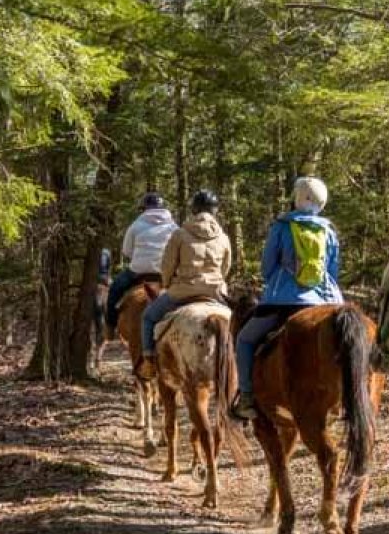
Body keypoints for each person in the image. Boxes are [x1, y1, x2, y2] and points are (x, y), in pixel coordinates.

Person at [230, 176, 343, 421]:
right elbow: (333, 271)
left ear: (297, 198)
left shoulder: (281, 227)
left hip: (283, 301)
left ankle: (246, 397)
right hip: (326, 300)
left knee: (244, 340)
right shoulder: (329, 231)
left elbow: (267, 268)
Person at [137, 190, 232, 378]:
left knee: (148, 317)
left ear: (193, 209)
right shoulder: (223, 237)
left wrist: (166, 284)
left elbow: (168, 265)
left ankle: (149, 361)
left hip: (182, 292)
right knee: (240, 325)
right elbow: (225, 268)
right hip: (215, 293)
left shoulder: (180, 234)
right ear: (214, 210)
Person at [105, 193, 177, 335]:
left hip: (138, 272)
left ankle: (110, 327)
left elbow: (126, 251)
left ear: (144, 208)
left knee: (114, 290)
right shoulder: (173, 227)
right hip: (166, 274)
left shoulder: (135, 225)